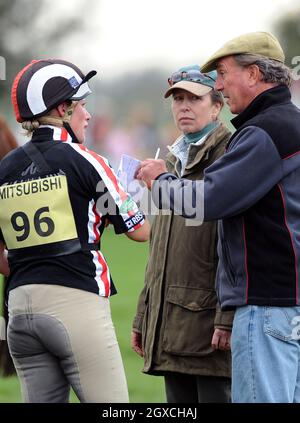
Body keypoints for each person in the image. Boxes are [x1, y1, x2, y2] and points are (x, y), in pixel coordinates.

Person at [136, 32, 300, 403]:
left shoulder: (265, 131)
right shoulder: (286, 123)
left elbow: (207, 202)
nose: (220, 85)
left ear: (254, 74)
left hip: (266, 304)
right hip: (284, 302)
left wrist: (159, 179)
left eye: (223, 74)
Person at [0, 59, 150, 403]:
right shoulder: (87, 159)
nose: (88, 114)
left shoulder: (5, 167)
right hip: (75, 306)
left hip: (19, 312)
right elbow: (139, 231)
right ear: (62, 108)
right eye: (82, 105)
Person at [131, 65, 233, 403]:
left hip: (211, 332)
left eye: (194, 98)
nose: (184, 106)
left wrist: (226, 318)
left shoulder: (231, 155)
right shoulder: (170, 163)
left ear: (217, 106)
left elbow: (236, 249)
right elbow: (158, 252)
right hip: (170, 328)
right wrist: (144, 314)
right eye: (178, 98)